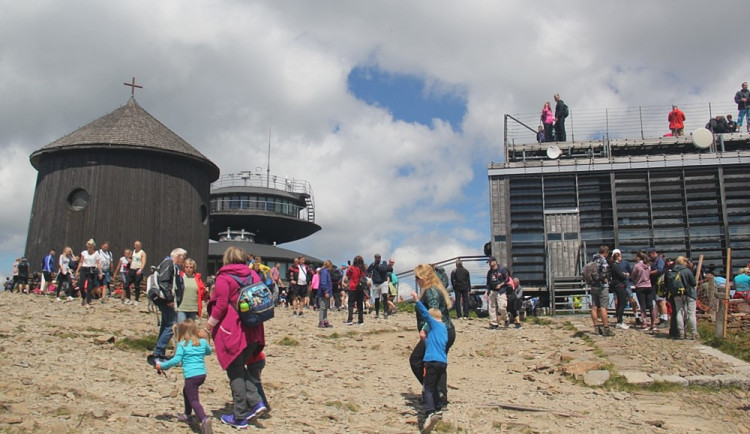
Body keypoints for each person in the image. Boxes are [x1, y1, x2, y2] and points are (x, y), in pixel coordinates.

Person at [205, 246, 267, 429]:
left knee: (235, 371)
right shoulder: (253, 275)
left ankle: (241, 415)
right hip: (254, 328)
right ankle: (256, 402)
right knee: (240, 367)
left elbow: (221, 306)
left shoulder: (224, 278)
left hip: (234, 329)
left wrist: (208, 327)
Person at [154, 319, 213, 434]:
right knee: (186, 391)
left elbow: (176, 360)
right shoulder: (202, 342)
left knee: (194, 399)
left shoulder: (182, 345)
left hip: (191, 376)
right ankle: (187, 414)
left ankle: (204, 419)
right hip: (201, 375)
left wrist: (162, 366)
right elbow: (209, 351)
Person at [409, 264, 455, 408]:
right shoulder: (434, 288)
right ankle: (440, 397)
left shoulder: (430, 291)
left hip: (438, 331)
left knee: (416, 360)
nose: (416, 281)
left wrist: (425, 329)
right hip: (447, 331)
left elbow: (434, 312)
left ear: (423, 277)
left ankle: (432, 391)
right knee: (438, 364)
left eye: (417, 277)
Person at [410, 291, 447, 433]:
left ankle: (430, 412)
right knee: (435, 386)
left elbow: (425, 314)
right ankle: (438, 408)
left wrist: (417, 300)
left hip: (431, 361)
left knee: (428, 388)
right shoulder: (443, 329)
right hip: (442, 362)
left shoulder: (434, 324)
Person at [152, 248, 186, 363]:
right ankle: (158, 352)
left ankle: (159, 353)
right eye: (183, 257)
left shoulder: (171, 265)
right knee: (172, 325)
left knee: (166, 324)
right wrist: (170, 299)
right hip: (165, 300)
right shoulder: (169, 263)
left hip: (165, 299)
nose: (183, 260)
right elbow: (164, 281)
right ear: (178, 256)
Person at [590, 246, 614, 336]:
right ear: (606, 252)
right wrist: (605, 279)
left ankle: (596, 328)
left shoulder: (593, 260)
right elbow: (604, 272)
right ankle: (606, 328)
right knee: (603, 307)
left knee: (594, 307)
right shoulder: (603, 261)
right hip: (602, 286)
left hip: (593, 286)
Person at [672, 256, 698, 340]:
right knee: (691, 313)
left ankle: (681, 332)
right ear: (683, 262)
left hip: (677, 294)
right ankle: (694, 332)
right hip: (689, 294)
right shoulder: (687, 271)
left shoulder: (672, 271)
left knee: (679, 312)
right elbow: (693, 283)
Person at [631, 251, 656, 331]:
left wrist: (635, 279)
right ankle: (653, 323)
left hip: (640, 286)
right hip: (648, 285)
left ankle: (644, 323)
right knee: (651, 306)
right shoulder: (648, 265)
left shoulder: (637, 266)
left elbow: (633, 276)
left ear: (639, 257)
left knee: (643, 306)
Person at [75, 240, 102, 309]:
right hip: (84, 269)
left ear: (93, 246)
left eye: (91, 246)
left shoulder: (96, 254)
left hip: (92, 270)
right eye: (89, 245)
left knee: (89, 286)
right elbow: (81, 262)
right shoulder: (84, 253)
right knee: (81, 286)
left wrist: (100, 272)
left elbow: (98, 263)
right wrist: (77, 270)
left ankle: (88, 301)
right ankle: (84, 297)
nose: (90, 247)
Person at [178, 258, 206, 323]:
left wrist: (205, 292)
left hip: (193, 308)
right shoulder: (180, 277)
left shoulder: (197, 279)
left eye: (191, 267)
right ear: (184, 267)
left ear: (194, 269)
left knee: (190, 330)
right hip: (181, 308)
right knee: (181, 329)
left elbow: (202, 294)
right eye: (187, 267)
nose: (189, 269)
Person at [368, 254, 394, 319]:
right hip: (376, 283)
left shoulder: (383, 263)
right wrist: (372, 267)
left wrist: (376, 266)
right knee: (377, 299)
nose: (377, 259)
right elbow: (368, 271)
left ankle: (385, 312)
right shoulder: (372, 264)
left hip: (383, 282)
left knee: (384, 296)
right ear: (374, 258)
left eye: (379, 257)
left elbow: (383, 270)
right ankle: (377, 313)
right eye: (376, 257)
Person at [648, 248, 668, 329]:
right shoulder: (654, 261)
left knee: (662, 301)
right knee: (658, 302)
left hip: (660, 284)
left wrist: (649, 272)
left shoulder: (660, 260)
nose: (649, 256)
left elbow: (659, 270)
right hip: (655, 284)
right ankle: (661, 319)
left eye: (650, 255)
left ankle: (665, 320)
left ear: (653, 253)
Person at [485, 258, 508, 328]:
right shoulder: (489, 272)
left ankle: (506, 317)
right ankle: (493, 323)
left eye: (491, 262)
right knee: (491, 307)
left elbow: (507, 279)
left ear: (495, 262)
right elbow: (488, 283)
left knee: (502, 307)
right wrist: (486, 292)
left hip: (501, 290)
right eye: (489, 262)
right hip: (492, 290)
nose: (489, 263)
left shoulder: (502, 270)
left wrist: (501, 284)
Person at [610, 250, 629, 329]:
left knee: (621, 303)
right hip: (619, 285)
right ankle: (619, 321)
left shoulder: (615, 265)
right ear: (617, 257)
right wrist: (625, 275)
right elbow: (621, 275)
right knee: (622, 303)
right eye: (620, 256)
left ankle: (620, 320)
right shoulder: (615, 265)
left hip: (618, 285)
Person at [345, 256, 367, 325]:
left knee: (351, 304)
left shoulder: (352, 268)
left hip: (353, 287)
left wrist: (349, 268)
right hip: (360, 288)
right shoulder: (363, 269)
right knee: (359, 304)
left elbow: (347, 274)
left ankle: (350, 320)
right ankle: (360, 320)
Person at [127, 241, 147, 305]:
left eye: (137, 245)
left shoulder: (142, 253)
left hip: (138, 270)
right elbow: (129, 257)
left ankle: (136, 299)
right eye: (135, 245)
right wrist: (129, 260)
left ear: (140, 246)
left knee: (137, 285)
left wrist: (141, 269)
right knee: (126, 284)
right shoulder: (133, 252)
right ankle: (128, 298)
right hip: (132, 269)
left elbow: (143, 262)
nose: (136, 246)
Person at [317, 260, 334, 328]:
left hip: (327, 292)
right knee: (322, 307)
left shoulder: (327, 272)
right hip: (323, 292)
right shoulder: (324, 272)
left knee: (326, 307)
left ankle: (325, 320)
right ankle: (321, 321)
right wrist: (326, 291)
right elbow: (323, 283)